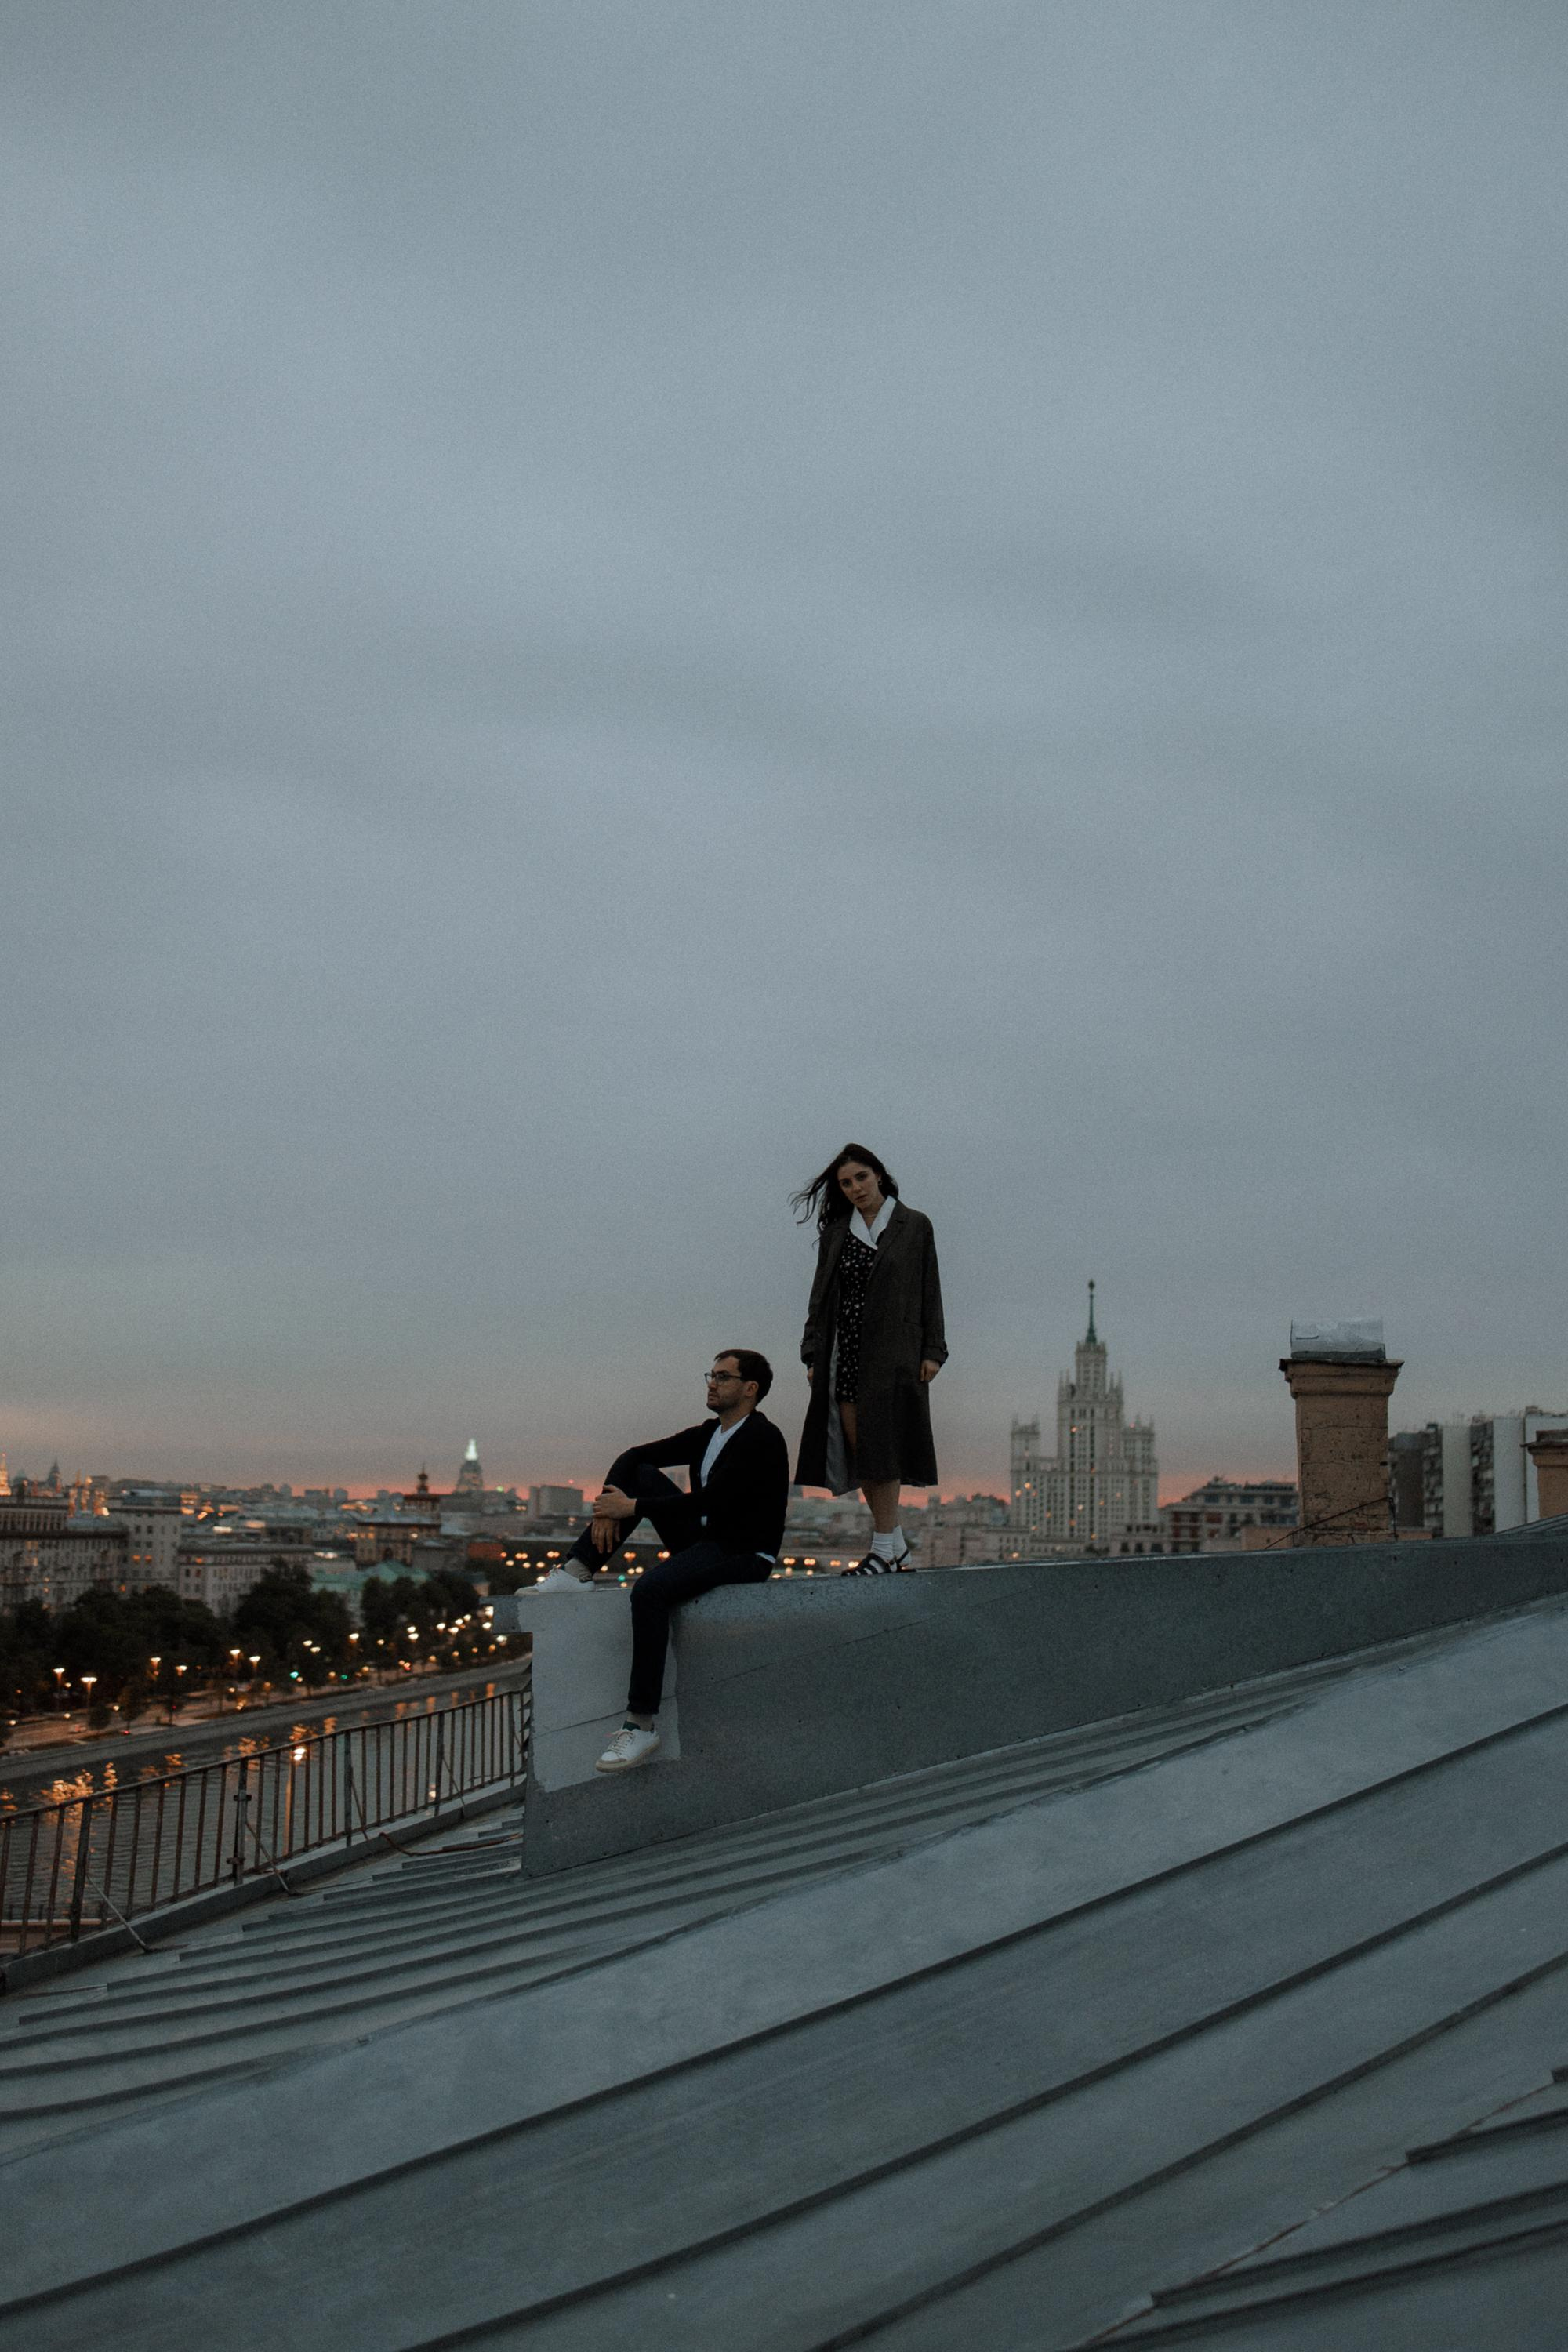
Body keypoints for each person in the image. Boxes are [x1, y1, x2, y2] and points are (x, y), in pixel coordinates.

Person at [535, 1349, 789, 1771]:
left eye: (724, 1377)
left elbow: (716, 1502)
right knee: (639, 1476)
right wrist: (609, 1503)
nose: (712, 1382)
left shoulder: (762, 1437)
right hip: (707, 1540)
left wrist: (631, 1508)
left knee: (649, 1591)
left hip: (744, 1553)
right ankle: (577, 1570)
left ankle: (640, 1726)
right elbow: (634, 1455)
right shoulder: (710, 1433)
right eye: (711, 1374)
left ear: (750, 1389)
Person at [792, 1144, 946, 1573]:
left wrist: (933, 1349)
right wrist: (812, 1352)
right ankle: (893, 1548)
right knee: (863, 1452)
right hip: (845, 1352)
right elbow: (819, 1296)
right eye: (846, 1183)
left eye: (861, 1177)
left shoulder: (914, 1225)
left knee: (887, 1449)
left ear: (878, 1174)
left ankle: (882, 1550)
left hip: (895, 1354)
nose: (855, 1188)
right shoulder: (838, 1231)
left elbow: (929, 1289)